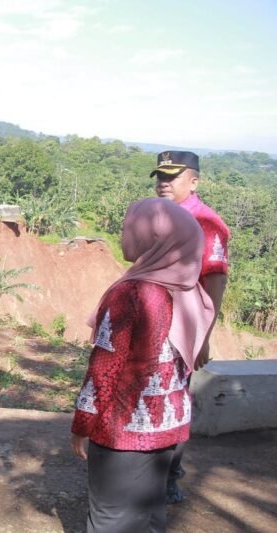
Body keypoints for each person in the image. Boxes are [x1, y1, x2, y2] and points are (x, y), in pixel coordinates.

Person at [70, 198, 215, 532]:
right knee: (148, 517)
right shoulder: (185, 287)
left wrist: (82, 424)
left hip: (125, 431)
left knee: (110, 519)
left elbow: (104, 369)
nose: (122, 233)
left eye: (127, 227)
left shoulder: (132, 294)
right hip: (169, 427)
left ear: (153, 238)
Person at [151, 150, 230, 503]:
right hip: (152, 321)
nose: (163, 183)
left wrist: (203, 336)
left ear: (193, 181)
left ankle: (169, 475)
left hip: (182, 325)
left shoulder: (205, 222)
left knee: (174, 399)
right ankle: (146, 464)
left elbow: (214, 282)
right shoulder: (160, 214)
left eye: (172, 176)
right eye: (160, 176)